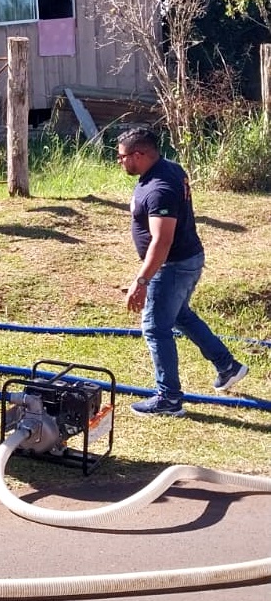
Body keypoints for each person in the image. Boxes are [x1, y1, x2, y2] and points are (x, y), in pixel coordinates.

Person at [117, 127, 248, 417]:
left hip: (173, 265)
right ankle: (228, 366)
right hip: (187, 258)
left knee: (155, 327)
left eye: (122, 157)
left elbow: (162, 241)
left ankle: (169, 398)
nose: (120, 162)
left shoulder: (160, 188)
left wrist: (141, 280)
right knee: (179, 315)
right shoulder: (169, 169)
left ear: (139, 155)